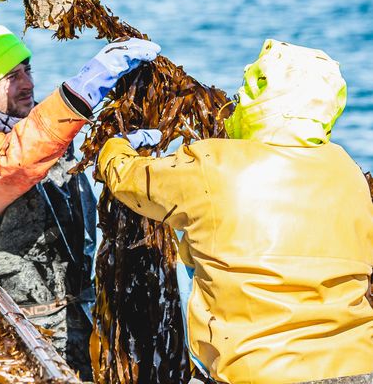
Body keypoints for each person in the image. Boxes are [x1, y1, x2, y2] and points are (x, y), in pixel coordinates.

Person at [96, 39, 373, 384]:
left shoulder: (213, 165)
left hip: (258, 371)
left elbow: (130, 181)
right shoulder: (348, 172)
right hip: (359, 366)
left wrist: (114, 145)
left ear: (263, 102)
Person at [0, 15, 160, 378]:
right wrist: (80, 92)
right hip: (27, 322)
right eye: (11, 77)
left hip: (79, 310)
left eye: (27, 69)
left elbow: (44, 151)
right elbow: (12, 164)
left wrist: (120, 149)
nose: (28, 84)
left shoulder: (31, 130)